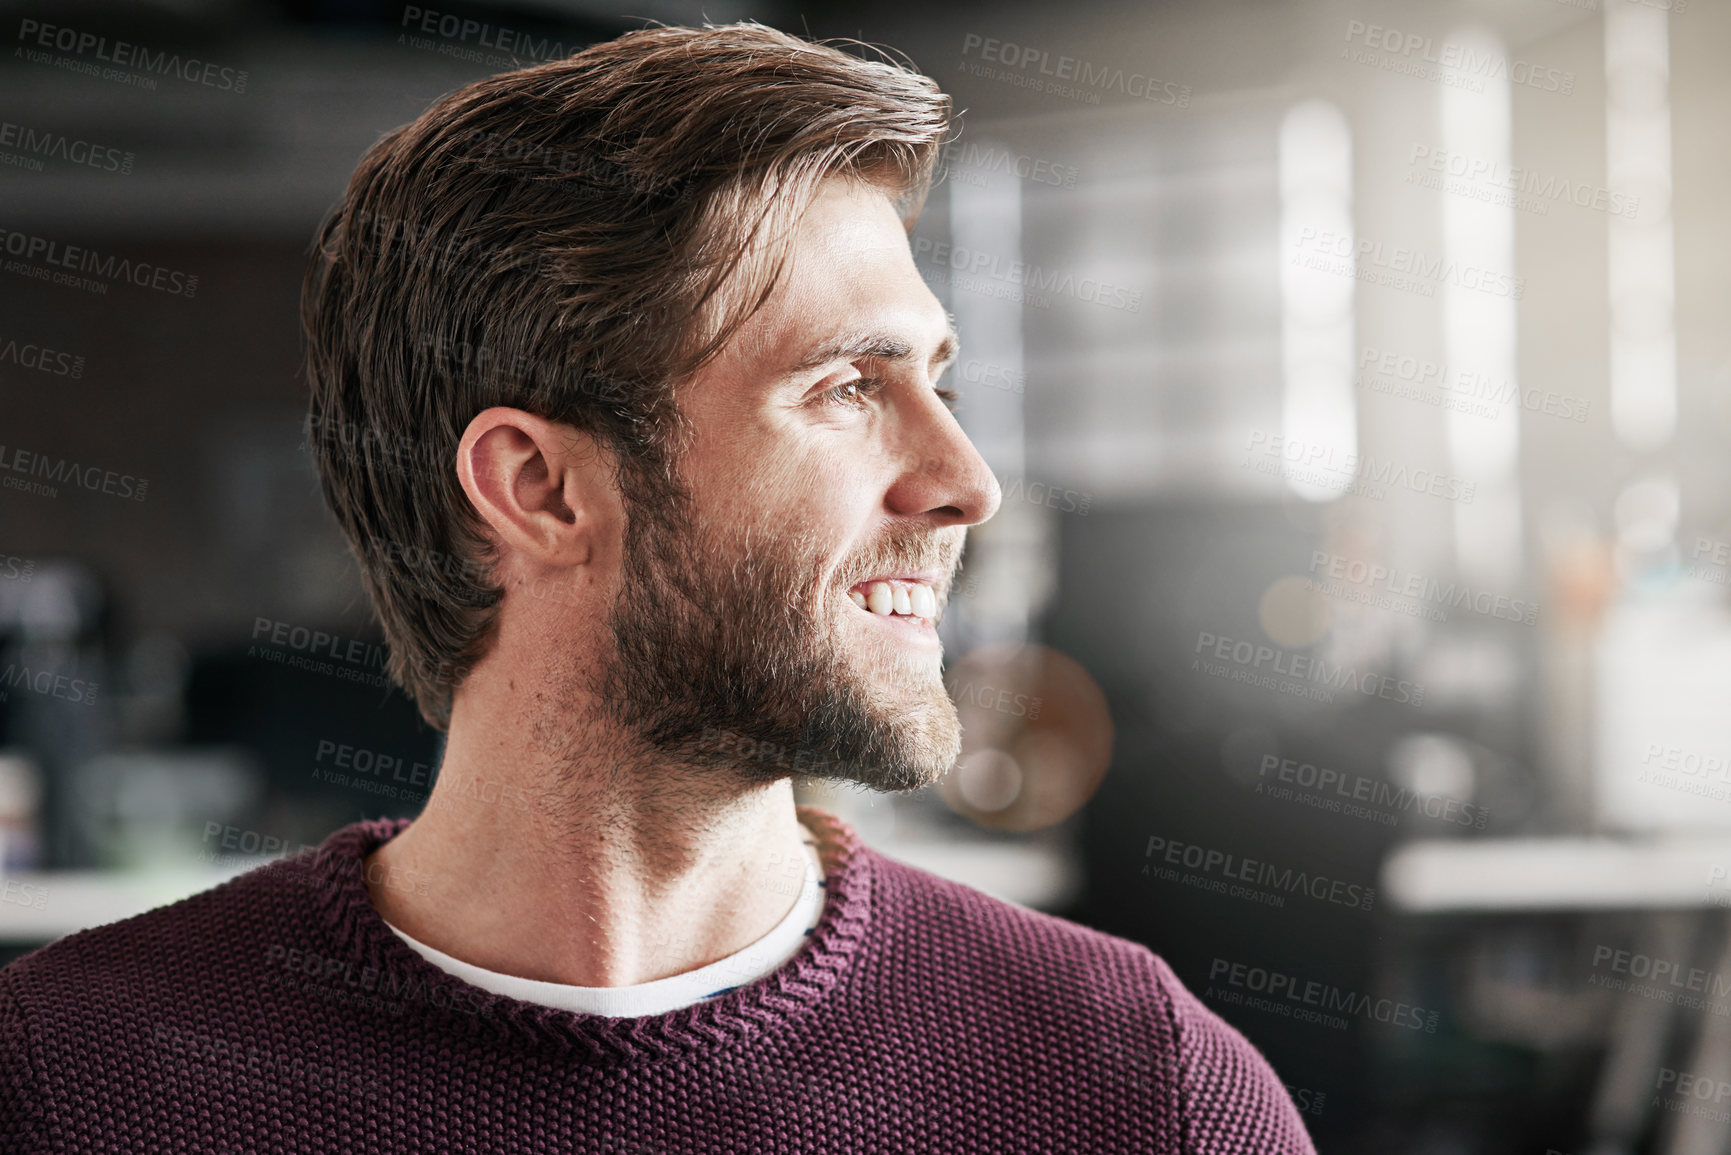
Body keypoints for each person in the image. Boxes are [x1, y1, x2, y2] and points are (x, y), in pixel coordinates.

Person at [0, 22, 1316, 1153]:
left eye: (943, 384)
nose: (968, 480)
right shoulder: (73, 1088)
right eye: (849, 389)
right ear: (541, 489)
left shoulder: (1139, 1092)